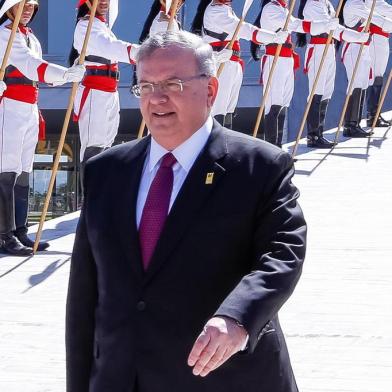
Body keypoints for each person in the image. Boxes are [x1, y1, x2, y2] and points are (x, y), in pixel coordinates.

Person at [66, 30, 307, 392]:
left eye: (172, 84)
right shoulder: (106, 171)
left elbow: (282, 255)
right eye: (145, 86)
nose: (156, 98)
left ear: (210, 90)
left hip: (221, 378)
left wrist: (237, 318)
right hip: (123, 378)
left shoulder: (259, 166)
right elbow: (85, 298)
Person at [0, 0, 85, 256]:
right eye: (23, 4)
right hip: (9, 105)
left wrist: (61, 77)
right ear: (9, 7)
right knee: (7, 169)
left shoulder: (30, 37)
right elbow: (30, 66)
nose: (28, 9)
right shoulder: (5, 33)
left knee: (25, 169)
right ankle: (4, 235)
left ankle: (20, 230)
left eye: (32, 5)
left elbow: (35, 71)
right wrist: (65, 75)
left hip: (28, 106)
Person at [69, 0, 139, 188]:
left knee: (106, 146)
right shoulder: (85, 25)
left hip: (109, 90)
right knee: (94, 148)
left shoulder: (102, 26)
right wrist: (142, 52)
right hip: (95, 91)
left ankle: (101, 199)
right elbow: (109, 46)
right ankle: (89, 204)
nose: (104, 2)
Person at [251, 0, 337, 147]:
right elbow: (296, 25)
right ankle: (273, 148)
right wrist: (324, 25)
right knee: (274, 103)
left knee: (284, 103)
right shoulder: (271, 8)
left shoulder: (282, 8)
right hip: (274, 58)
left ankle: (278, 147)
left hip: (286, 58)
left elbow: (295, 23)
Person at [191, 0, 288, 129]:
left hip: (232, 62)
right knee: (219, 108)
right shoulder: (215, 10)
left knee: (229, 108)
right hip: (221, 62)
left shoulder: (226, 8)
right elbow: (243, 29)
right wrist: (273, 37)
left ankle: (226, 144)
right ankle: (216, 144)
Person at [296, 0, 369, 148]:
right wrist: (354, 36)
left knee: (327, 92)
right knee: (317, 91)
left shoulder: (326, 3)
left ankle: (319, 133)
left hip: (329, 48)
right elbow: (329, 28)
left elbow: (337, 29)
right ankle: (313, 135)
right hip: (318, 48)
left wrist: (357, 36)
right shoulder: (312, 4)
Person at [341, 0, 392, 137]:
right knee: (356, 84)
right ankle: (351, 125)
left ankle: (355, 124)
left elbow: (383, 11)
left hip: (362, 46)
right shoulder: (355, 3)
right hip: (355, 46)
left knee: (362, 83)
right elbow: (375, 17)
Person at [366, 0, 392, 127]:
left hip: (382, 38)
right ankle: (372, 115)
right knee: (375, 76)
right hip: (376, 39)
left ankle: (375, 113)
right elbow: (388, 11)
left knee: (379, 76)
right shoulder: (372, 2)